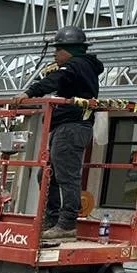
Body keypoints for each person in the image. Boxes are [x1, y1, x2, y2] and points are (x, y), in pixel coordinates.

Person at [24, 25, 104, 242]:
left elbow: (56, 80)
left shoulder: (76, 65)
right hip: (68, 127)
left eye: (58, 50)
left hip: (72, 128)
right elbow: (60, 80)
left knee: (66, 176)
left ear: (70, 50)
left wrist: (30, 92)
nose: (54, 54)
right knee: (47, 175)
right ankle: (53, 219)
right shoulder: (80, 69)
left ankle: (67, 223)